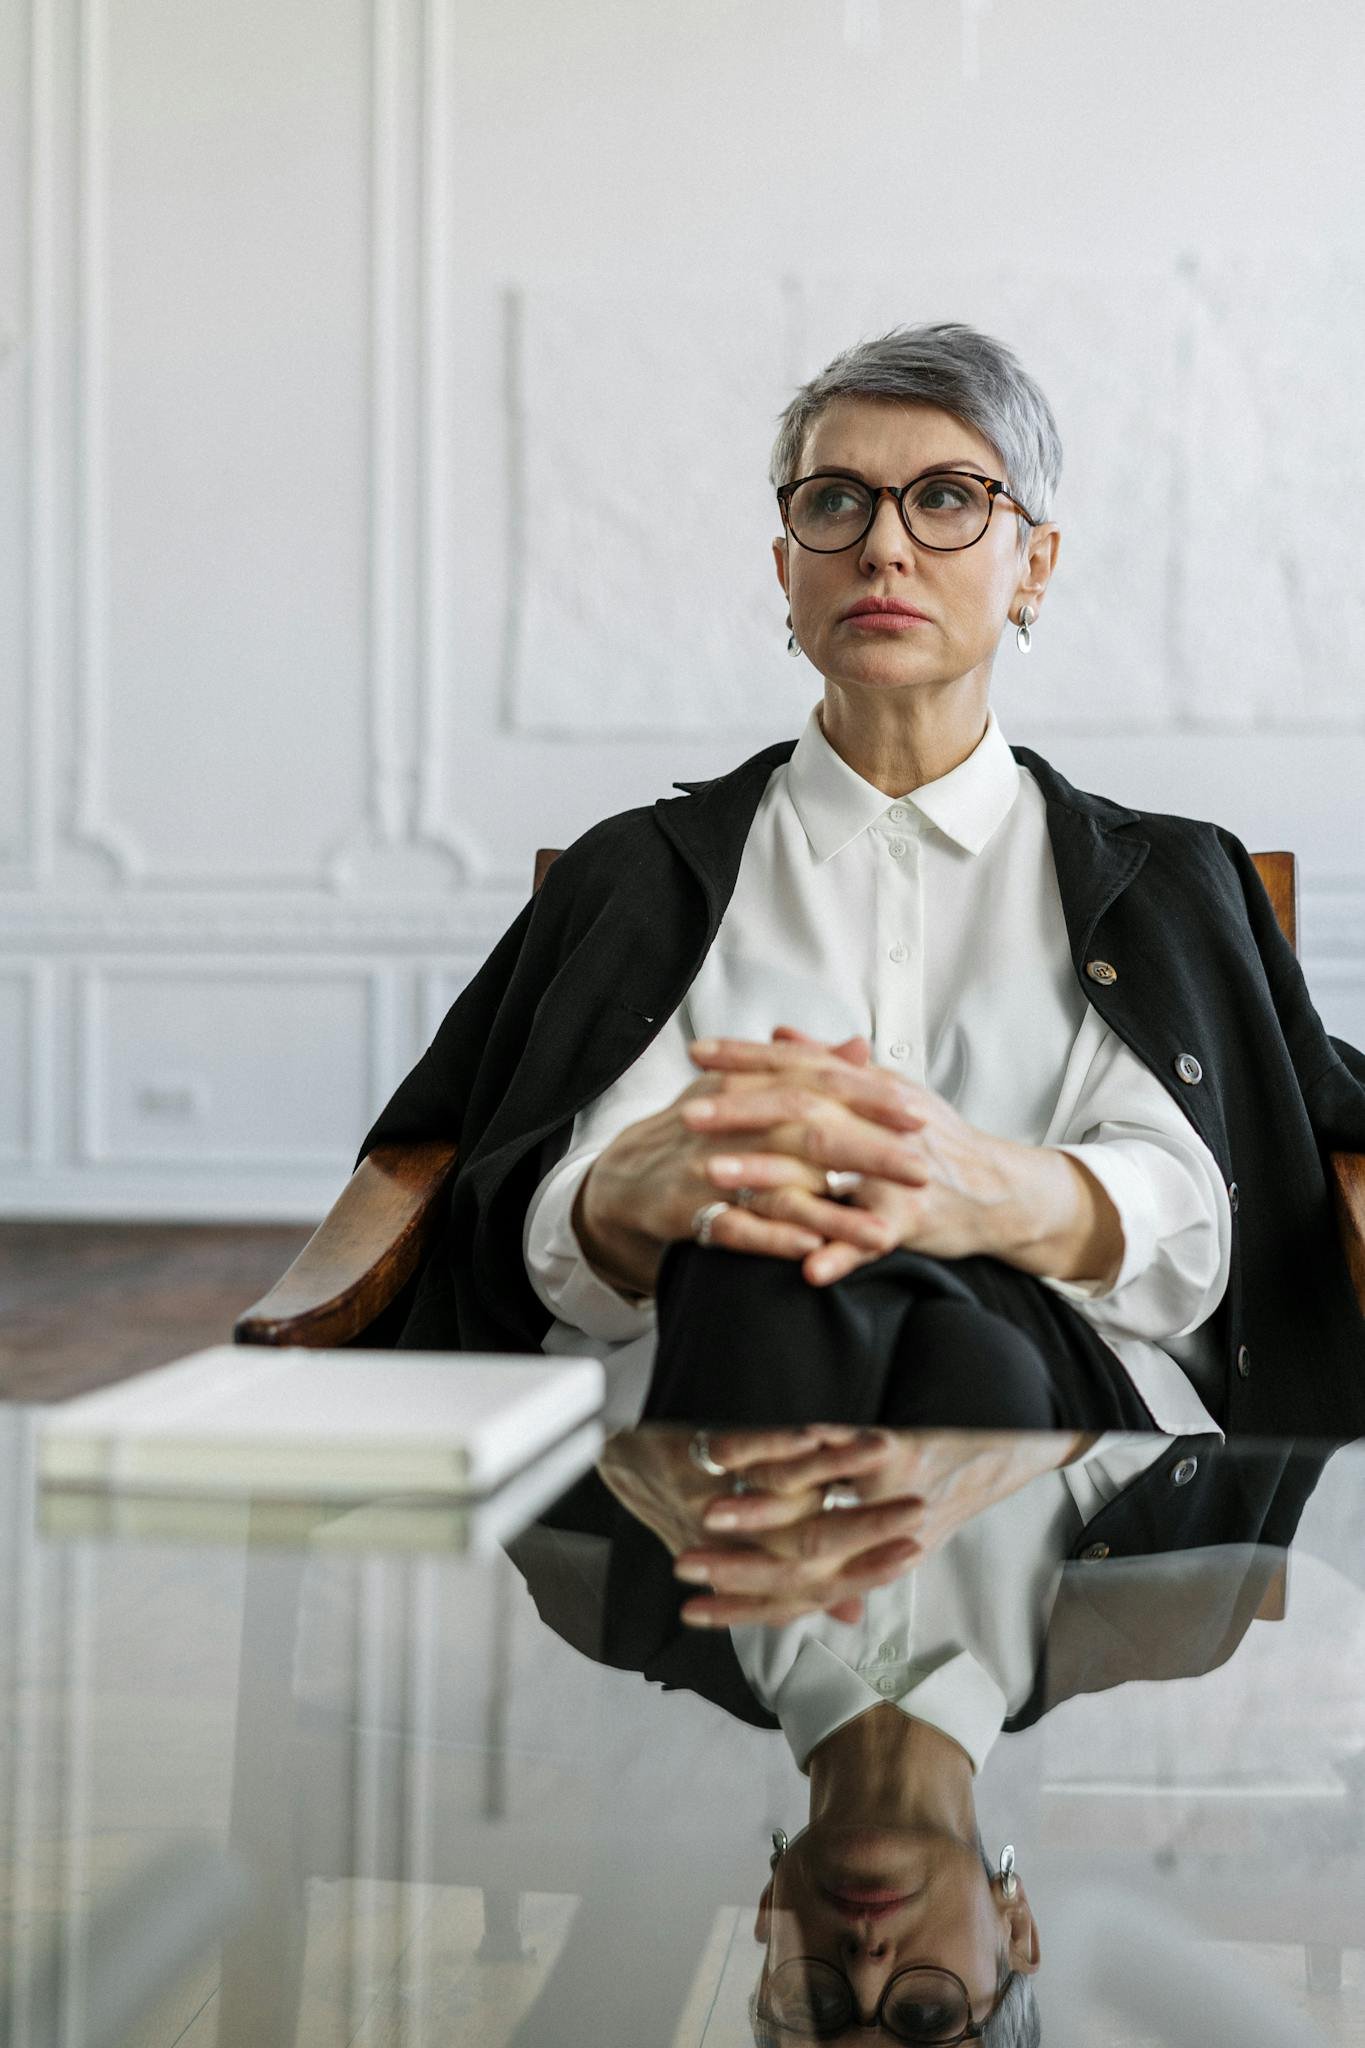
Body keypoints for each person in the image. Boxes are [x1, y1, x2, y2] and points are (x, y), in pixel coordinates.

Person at [356, 323, 1365, 1437]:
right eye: (836, 501)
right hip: (703, 1395)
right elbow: (554, 1242)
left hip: (1071, 1435)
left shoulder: (1170, 882)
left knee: (952, 1321)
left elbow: (1189, 1227)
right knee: (757, 1278)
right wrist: (625, 1200)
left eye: (945, 499)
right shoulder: (635, 875)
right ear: (787, 566)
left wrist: (972, 1188)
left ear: (1034, 563)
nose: (884, 546)